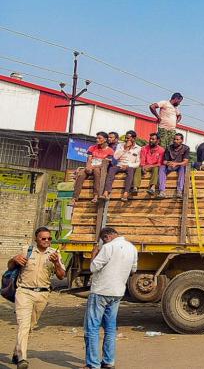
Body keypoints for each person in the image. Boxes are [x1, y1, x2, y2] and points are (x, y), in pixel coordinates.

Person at [8, 227, 65, 369]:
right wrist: (14, 259)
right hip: (24, 292)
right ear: (36, 239)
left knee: (30, 326)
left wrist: (57, 263)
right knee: (24, 325)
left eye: (49, 238)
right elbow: (10, 267)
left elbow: (61, 275)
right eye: (43, 238)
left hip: (42, 294)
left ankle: (17, 351)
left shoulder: (55, 254)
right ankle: (22, 359)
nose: (47, 241)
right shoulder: (27, 250)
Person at [84, 227, 137, 369]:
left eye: (103, 240)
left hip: (101, 291)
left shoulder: (108, 247)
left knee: (93, 328)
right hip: (117, 292)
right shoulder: (132, 248)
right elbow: (133, 270)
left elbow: (93, 268)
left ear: (106, 237)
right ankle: (108, 362)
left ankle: (93, 364)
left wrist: (94, 254)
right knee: (110, 328)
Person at [73, 132, 115, 203]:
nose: (97, 140)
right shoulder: (92, 148)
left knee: (97, 172)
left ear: (105, 139)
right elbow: (89, 159)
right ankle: (74, 197)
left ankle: (96, 195)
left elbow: (105, 164)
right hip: (90, 166)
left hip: (100, 168)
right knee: (81, 174)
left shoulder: (110, 151)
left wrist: (93, 167)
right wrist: (88, 166)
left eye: (99, 138)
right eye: (97, 138)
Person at [102, 133, 141, 202]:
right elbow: (116, 157)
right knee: (111, 169)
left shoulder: (138, 148)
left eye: (128, 138)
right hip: (119, 164)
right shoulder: (120, 145)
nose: (126, 140)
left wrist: (128, 165)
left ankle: (126, 193)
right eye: (125, 138)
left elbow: (138, 163)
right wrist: (124, 148)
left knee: (131, 171)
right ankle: (106, 192)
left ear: (134, 139)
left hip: (129, 166)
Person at [158, 133, 189, 199]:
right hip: (169, 165)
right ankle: (162, 191)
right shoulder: (169, 148)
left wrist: (176, 164)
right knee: (162, 167)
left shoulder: (186, 148)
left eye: (177, 139)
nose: (175, 141)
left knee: (182, 168)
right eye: (174, 139)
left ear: (182, 140)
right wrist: (168, 163)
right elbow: (164, 161)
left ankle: (179, 191)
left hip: (179, 166)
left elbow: (185, 162)